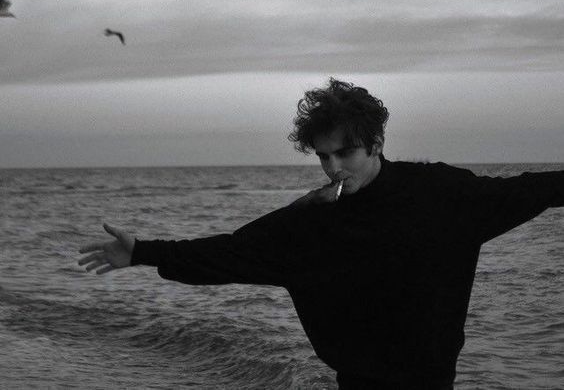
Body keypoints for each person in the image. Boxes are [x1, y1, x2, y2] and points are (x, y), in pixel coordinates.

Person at [78, 78, 563, 389]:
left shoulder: (442, 195)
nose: (332, 167)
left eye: (344, 153)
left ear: (376, 144)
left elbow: (531, 190)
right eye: (322, 156)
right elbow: (231, 253)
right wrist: (142, 252)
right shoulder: (309, 223)